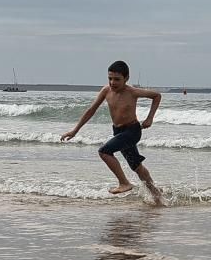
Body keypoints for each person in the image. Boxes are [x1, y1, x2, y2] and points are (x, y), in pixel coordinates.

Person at [61, 60, 163, 203]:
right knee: (136, 166)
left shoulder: (132, 92)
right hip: (118, 131)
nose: (112, 82)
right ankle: (157, 195)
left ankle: (124, 183)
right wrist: (75, 130)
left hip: (132, 131)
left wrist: (149, 118)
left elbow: (157, 96)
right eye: (110, 78)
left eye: (117, 79)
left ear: (126, 78)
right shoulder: (106, 91)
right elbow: (91, 110)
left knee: (104, 151)